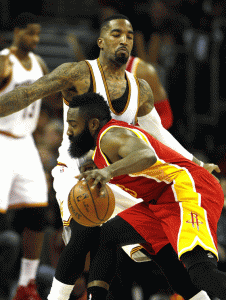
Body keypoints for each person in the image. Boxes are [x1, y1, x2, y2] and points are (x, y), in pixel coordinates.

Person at [0, 14, 219, 300]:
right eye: (117, 34)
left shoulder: (140, 87)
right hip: (76, 172)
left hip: (118, 177)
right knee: (83, 234)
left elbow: (159, 135)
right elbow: (29, 93)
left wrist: (196, 162)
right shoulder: (79, 73)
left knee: (161, 251)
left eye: (129, 35)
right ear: (101, 41)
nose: (124, 40)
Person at [67, 92, 225, 300]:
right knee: (108, 234)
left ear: (93, 124)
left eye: (73, 124)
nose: (68, 131)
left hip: (187, 190)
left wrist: (107, 172)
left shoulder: (111, 136)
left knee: (200, 272)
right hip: (161, 200)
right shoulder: (103, 146)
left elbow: (147, 156)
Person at [0, 12, 50, 300]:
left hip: (26, 142)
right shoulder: (4, 60)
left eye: (38, 34)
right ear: (17, 31)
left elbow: (51, 98)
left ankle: (26, 284)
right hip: (2, 139)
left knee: (38, 212)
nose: (35, 39)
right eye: (30, 33)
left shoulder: (40, 63)